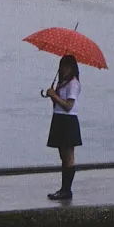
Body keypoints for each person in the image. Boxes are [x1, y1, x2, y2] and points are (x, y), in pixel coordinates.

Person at [42, 53, 82, 201]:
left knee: (68, 157)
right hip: (59, 119)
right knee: (62, 156)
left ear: (72, 68)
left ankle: (67, 190)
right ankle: (63, 188)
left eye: (67, 67)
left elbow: (68, 106)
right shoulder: (63, 83)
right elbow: (58, 105)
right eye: (62, 67)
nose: (64, 70)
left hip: (68, 120)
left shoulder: (73, 83)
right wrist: (53, 95)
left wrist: (55, 96)